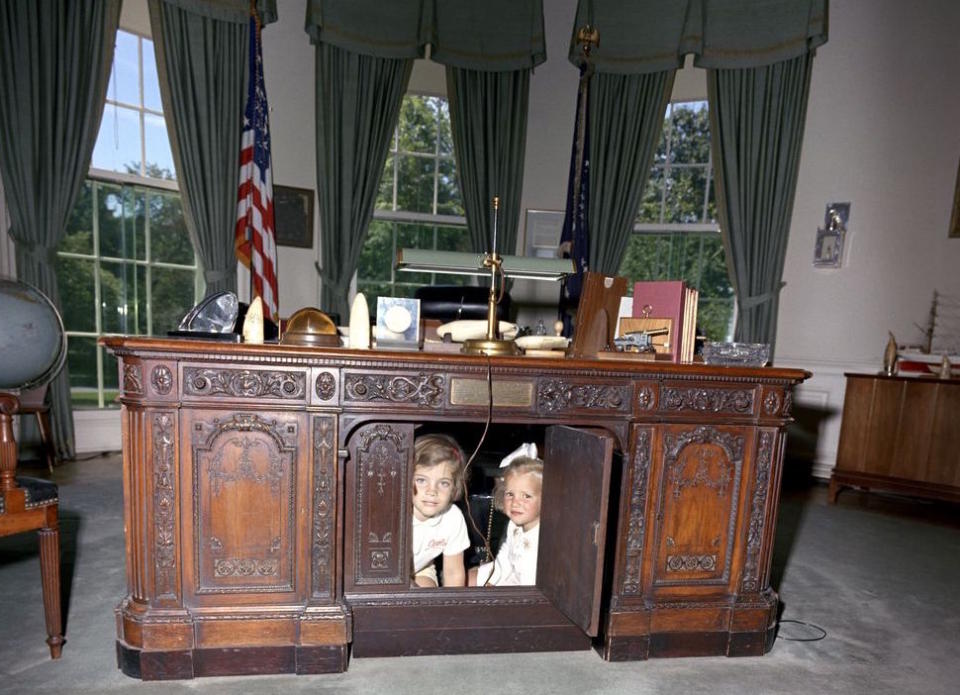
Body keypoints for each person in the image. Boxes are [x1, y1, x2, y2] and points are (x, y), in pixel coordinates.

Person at [469, 444, 542, 587]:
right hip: (511, 574)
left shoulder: (542, 535)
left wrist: (498, 591)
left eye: (526, 496)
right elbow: (505, 556)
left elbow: (531, 581)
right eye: (510, 494)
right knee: (469, 578)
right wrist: (491, 579)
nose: (515, 502)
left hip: (529, 588)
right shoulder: (514, 524)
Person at [411, 433, 469, 587]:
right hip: (385, 571)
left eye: (443, 483)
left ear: (454, 487)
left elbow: (453, 572)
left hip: (420, 569)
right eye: (421, 480)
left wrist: (453, 608)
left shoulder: (453, 517)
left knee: (427, 602)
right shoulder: (393, 510)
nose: (432, 491)